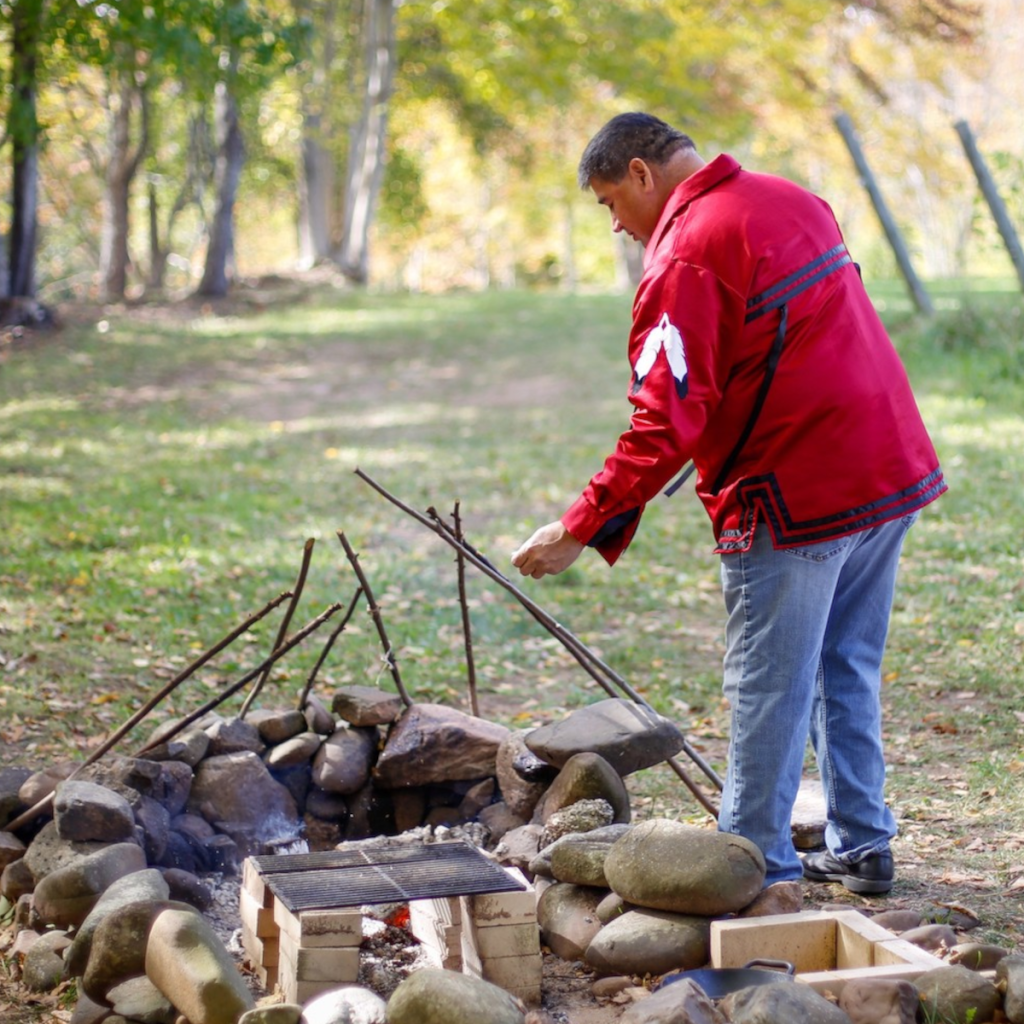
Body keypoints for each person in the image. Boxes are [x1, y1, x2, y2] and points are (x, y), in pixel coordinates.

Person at [510, 112, 946, 894]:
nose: (616, 225)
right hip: (886, 469)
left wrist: (580, 525)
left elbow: (663, 418)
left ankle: (752, 867)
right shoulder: (794, 199)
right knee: (843, 666)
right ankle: (863, 842)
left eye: (611, 202)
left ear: (642, 174)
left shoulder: (687, 254)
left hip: (795, 493)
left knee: (769, 684)